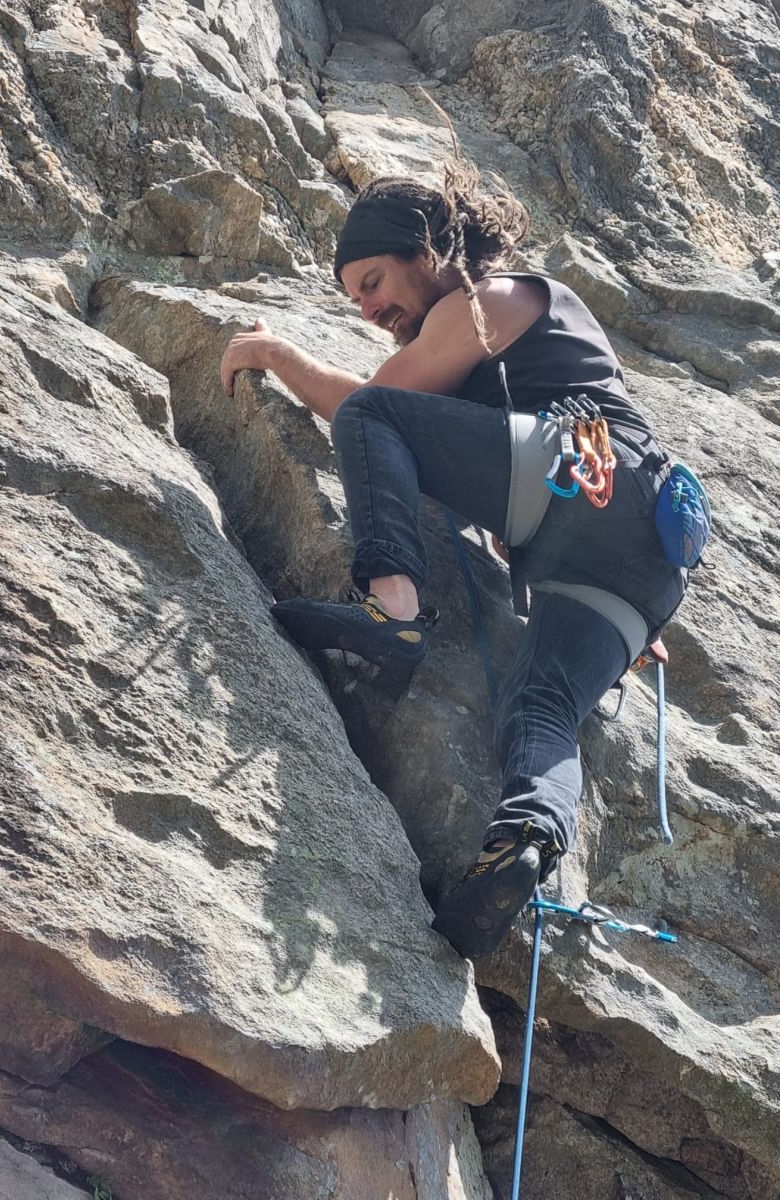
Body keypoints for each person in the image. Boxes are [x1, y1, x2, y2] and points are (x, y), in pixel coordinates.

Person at [218, 166, 686, 959]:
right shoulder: (502, 330)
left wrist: (277, 354)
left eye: (372, 281)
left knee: (373, 414)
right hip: (646, 558)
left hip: (591, 473)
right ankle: (526, 841)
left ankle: (393, 612)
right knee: (541, 712)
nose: (369, 308)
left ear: (424, 248)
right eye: (355, 301)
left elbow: (366, 407)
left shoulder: (492, 298)